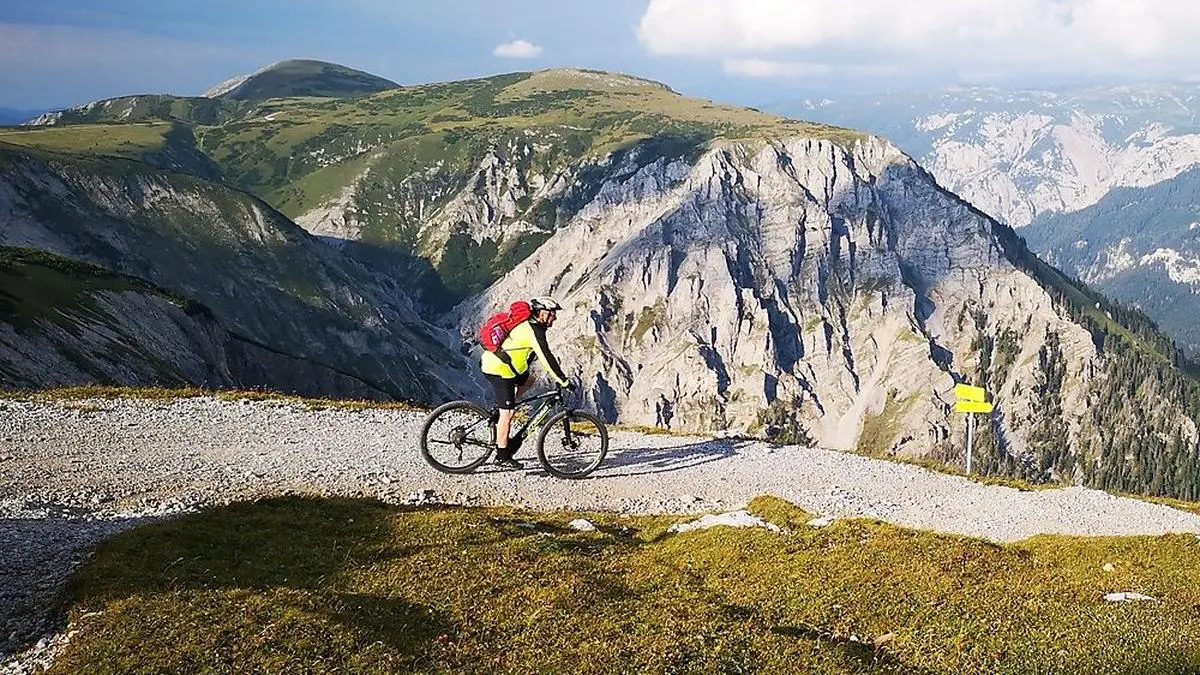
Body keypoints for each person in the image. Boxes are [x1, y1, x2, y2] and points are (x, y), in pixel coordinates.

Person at [480, 296, 573, 468]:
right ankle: (502, 457)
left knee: (529, 380)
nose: (555, 317)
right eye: (552, 313)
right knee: (508, 413)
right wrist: (563, 380)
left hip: (507, 367)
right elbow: (546, 357)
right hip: (500, 369)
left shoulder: (532, 325)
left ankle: (504, 407)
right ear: (543, 313)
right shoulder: (533, 330)